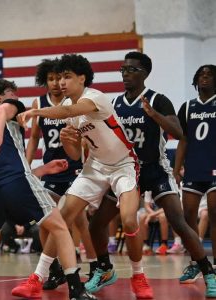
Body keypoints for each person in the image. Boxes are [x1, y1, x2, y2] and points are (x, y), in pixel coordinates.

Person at [15, 54, 152, 298]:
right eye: (58, 78)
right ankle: (36, 278)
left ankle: (138, 276)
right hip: (95, 166)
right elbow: (76, 155)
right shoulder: (71, 115)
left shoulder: (93, 97)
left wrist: (35, 112)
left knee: (129, 220)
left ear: (82, 78)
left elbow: (67, 108)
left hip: (124, 165)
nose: (61, 83)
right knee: (62, 217)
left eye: (67, 77)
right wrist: (71, 142)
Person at [0, 79, 95, 300]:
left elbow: (9, 165)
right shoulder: (7, 109)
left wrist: (43, 170)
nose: (16, 96)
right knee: (60, 228)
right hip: (15, 181)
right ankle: (76, 289)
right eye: (11, 92)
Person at [88, 52, 216, 298]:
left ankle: (208, 272)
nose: (125, 73)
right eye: (123, 69)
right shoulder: (113, 104)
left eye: (131, 69)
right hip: (126, 171)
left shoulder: (158, 100)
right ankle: (104, 269)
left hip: (155, 169)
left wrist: (154, 115)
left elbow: (179, 133)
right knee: (97, 224)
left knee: (178, 221)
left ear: (145, 73)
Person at [26, 58, 97, 289]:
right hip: (51, 168)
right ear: (44, 81)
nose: (56, 82)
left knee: (80, 221)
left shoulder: (73, 101)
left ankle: (95, 264)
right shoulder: (39, 102)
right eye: (51, 78)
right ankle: (56, 269)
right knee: (46, 222)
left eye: (59, 78)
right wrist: (28, 166)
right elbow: (35, 136)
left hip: (74, 166)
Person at [174, 64, 216, 288]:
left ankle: (215, 268)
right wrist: (175, 169)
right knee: (188, 215)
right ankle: (195, 262)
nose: (205, 77)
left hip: (214, 167)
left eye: (209, 75)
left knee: (214, 212)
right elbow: (183, 140)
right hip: (193, 167)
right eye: (201, 74)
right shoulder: (188, 107)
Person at [139, 191, 169, 255]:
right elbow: (146, 206)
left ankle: (164, 244)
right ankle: (146, 244)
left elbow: (166, 207)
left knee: (162, 217)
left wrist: (152, 215)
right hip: (153, 212)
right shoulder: (148, 191)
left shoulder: (163, 189)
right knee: (142, 217)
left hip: (165, 212)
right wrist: (153, 214)